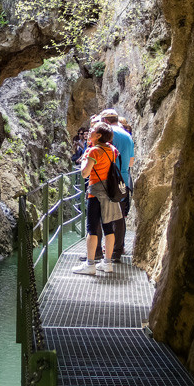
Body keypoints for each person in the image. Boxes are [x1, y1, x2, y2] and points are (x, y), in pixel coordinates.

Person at [72, 121, 123, 275]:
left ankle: (90, 264)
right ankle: (107, 263)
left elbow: (85, 173)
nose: (89, 131)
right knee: (108, 227)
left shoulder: (93, 151)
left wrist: (84, 158)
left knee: (92, 229)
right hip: (109, 192)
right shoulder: (112, 149)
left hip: (95, 194)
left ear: (98, 135)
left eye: (92, 130)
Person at [100, 109, 135, 262]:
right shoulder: (128, 135)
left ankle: (103, 251)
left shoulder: (107, 133)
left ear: (106, 121)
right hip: (124, 181)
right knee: (120, 217)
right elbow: (131, 162)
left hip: (108, 180)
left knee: (105, 216)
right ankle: (117, 251)